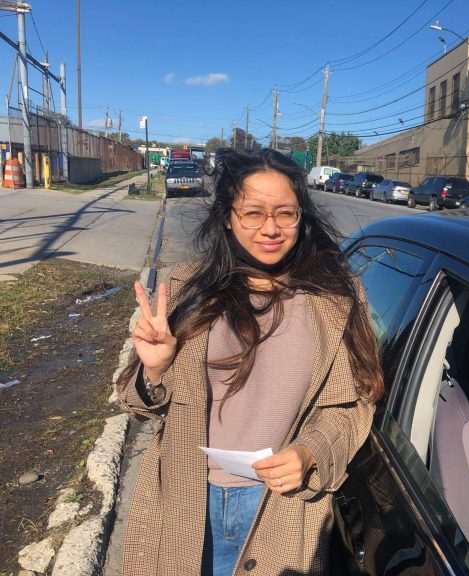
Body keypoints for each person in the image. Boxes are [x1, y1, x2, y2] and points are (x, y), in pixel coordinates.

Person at [115, 148, 384, 576]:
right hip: (188, 498)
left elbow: (355, 405)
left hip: (283, 506)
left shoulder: (335, 295)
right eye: (253, 213)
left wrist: (311, 452)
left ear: (302, 216)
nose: (271, 229)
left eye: (285, 213)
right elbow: (138, 404)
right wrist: (155, 368)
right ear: (227, 217)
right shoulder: (187, 287)